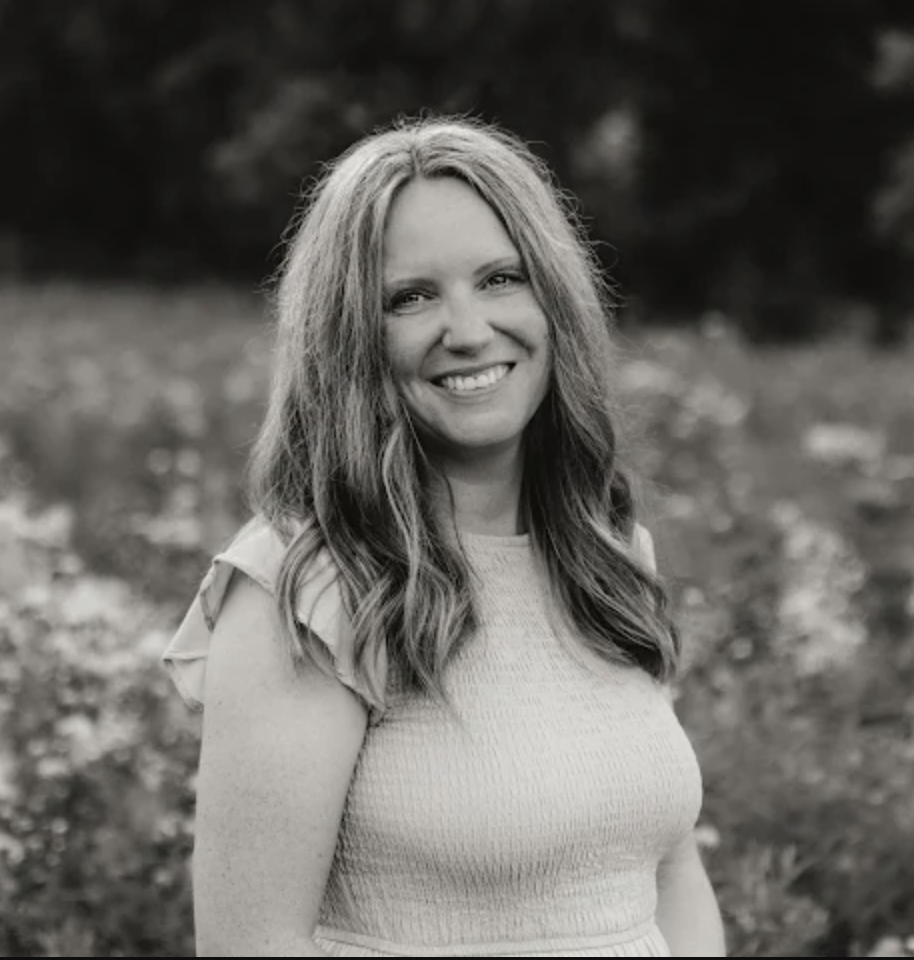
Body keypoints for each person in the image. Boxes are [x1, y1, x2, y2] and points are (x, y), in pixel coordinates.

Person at [162, 115, 726, 958]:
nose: (467, 329)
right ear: (350, 339)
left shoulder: (607, 552)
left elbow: (672, 876)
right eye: (410, 297)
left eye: (500, 278)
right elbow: (251, 947)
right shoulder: (311, 587)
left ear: (555, 299)